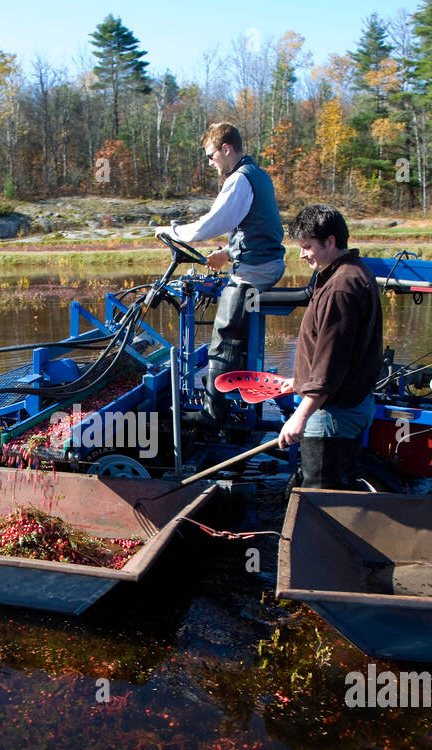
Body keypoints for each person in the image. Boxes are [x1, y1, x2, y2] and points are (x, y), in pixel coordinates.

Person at [155, 122, 285, 433]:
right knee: (232, 332)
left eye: (211, 156)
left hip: (256, 269)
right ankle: (232, 397)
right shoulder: (257, 174)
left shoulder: (239, 179)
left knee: (224, 338)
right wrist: (227, 253)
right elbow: (254, 225)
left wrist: (171, 231)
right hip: (263, 262)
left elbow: (210, 224)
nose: (211, 163)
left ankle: (213, 415)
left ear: (226, 149)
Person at [276, 204, 383, 489]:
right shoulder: (352, 271)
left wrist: (299, 417)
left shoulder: (340, 288)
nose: (302, 253)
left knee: (319, 498)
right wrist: (299, 380)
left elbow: (330, 364)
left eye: (307, 246)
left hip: (333, 414)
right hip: (349, 403)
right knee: (335, 485)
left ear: (330, 241)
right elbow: (335, 349)